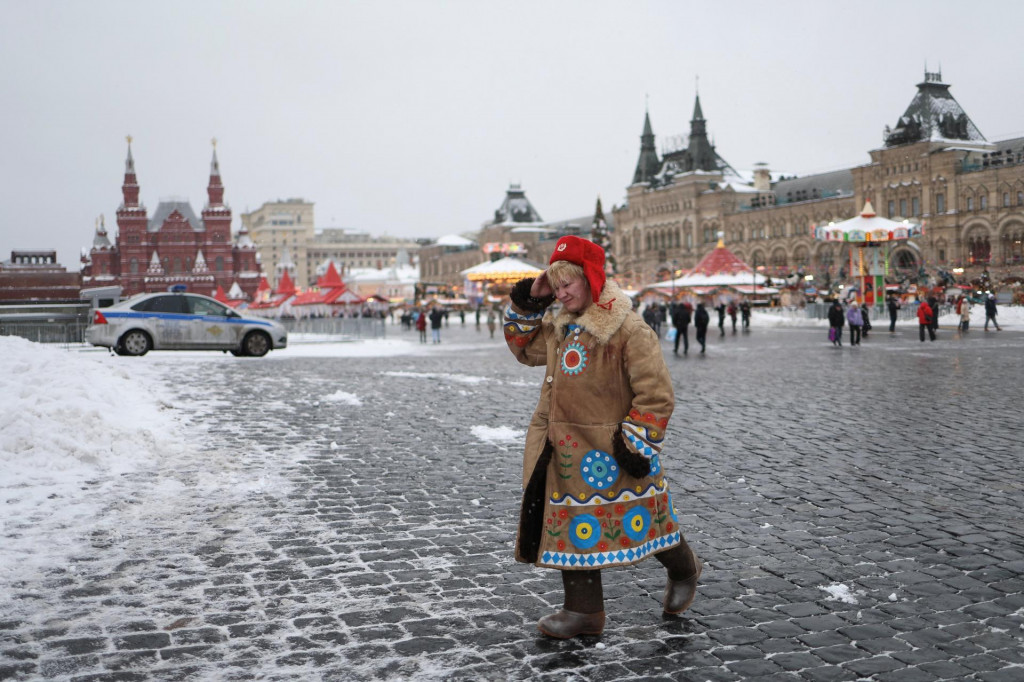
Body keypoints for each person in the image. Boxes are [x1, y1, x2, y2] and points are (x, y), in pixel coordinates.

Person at [503, 235, 700, 639]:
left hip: (613, 451)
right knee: (571, 525)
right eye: (555, 287)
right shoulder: (560, 325)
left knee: (648, 523)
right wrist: (530, 300)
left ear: (590, 277)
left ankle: (684, 568)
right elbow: (522, 347)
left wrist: (632, 443)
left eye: (568, 284)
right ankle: (584, 612)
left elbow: (656, 395)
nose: (561, 293)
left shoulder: (628, 328)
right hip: (561, 449)